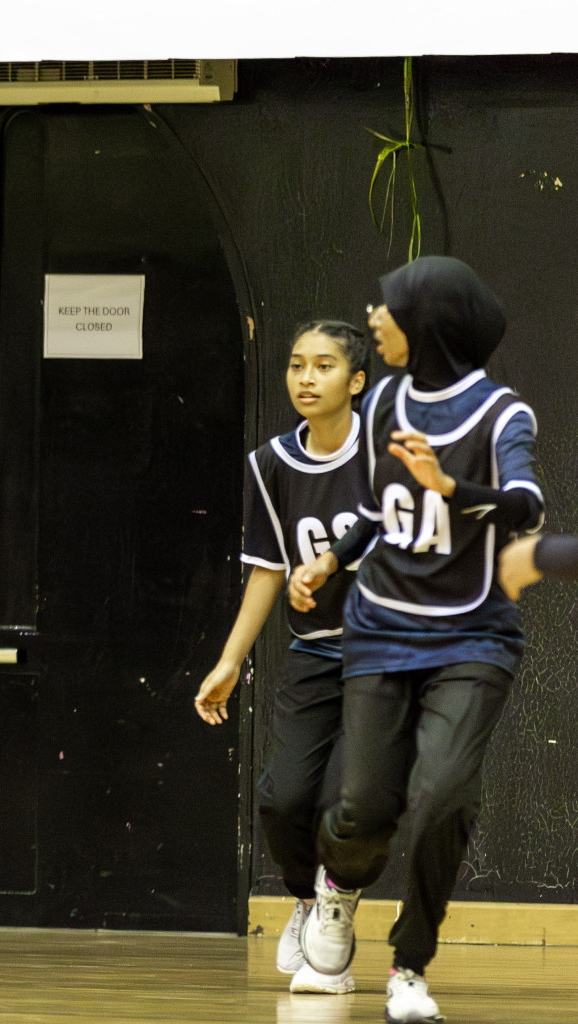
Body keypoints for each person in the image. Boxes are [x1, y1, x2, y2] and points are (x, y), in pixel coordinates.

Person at [287, 256, 543, 1024]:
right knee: (363, 806)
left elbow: (526, 508)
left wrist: (452, 490)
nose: (374, 318)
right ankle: (338, 889)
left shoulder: (502, 414)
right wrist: (332, 559)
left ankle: (409, 966)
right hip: (382, 629)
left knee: (443, 795)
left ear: (429, 326)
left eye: (389, 308)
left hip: (472, 636)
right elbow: (375, 506)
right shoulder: (385, 401)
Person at [194, 320, 370, 995]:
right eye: (297, 365)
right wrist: (229, 661)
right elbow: (267, 568)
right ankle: (306, 898)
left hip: (388, 654)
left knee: (350, 798)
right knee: (282, 798)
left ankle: (337, 911)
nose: (306, 377)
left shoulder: (387, 454)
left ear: (356, 381)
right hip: (315, 650)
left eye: (324, 365)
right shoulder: (270, 463)